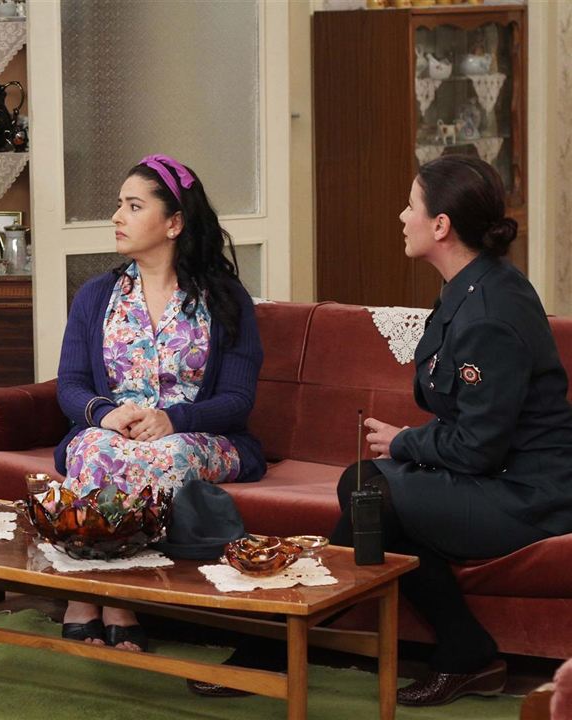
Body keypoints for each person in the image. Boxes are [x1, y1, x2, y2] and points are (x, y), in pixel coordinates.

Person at [192, 154, 572, 706]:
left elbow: (478, 446)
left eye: (410, 206)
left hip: (529, 494)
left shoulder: (490, 309)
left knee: (370, 489)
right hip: (498, 476)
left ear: (440, 225)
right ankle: (463, 649)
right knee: (368, 490)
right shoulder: (470, 287)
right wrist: (407, 446)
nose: (401, 216)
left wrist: (403, 442)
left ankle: (274, 647)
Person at [55, 154, 264, 653]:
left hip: (197, 437)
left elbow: (238, 400)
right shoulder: (96, 296)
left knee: (163, 455)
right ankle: (101, 594)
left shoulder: (225, 298)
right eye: (119, 205)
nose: (117, 217)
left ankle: (107, 596)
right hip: (113, 432)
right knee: (95, 450)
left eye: (133, 206)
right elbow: (70, 385)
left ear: (174, 223)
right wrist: (105, 414)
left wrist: (174, 419)